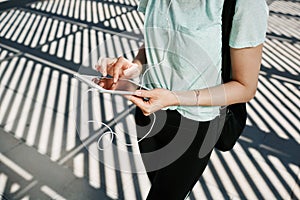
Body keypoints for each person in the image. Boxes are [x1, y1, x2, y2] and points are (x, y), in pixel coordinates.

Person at [95, 0, 269, 199]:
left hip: (195, 125)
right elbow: (155, 41)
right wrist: (133, 67)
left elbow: (245, 87)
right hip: (148, 115)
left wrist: (174, 98)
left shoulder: (246, 4)